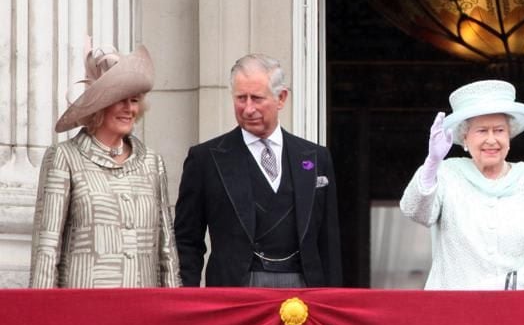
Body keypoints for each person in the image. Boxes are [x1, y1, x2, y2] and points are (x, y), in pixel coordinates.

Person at [174, 54, 342, 288]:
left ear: (281, 98)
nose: (248, 108)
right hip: (235, 292)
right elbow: (187, 241)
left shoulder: (316, 158)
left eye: (257, 98)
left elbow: (329, 242)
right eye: (241, 98)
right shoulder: (205, 159)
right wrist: (188, 301)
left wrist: (332, 303)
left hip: (304, 289)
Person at [30, 43, 181, 288]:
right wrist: (43, 317)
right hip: (86, 312)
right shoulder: (65, 158)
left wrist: (174, 313)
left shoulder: (152, 163)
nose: (129, 109)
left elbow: (167, 251)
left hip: (144, 312)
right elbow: (47, 249)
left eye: (134, 101)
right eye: (119, 100)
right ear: (99, 105)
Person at [400, 79, 524, 290]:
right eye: (481, 131)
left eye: (499, 130)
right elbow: (416, 212)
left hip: (515, 310)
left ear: (509, 136)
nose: (491, 140)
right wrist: (432, 164)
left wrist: (507, 285)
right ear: (464, 138)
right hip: (454, 312)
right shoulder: (447, 174)